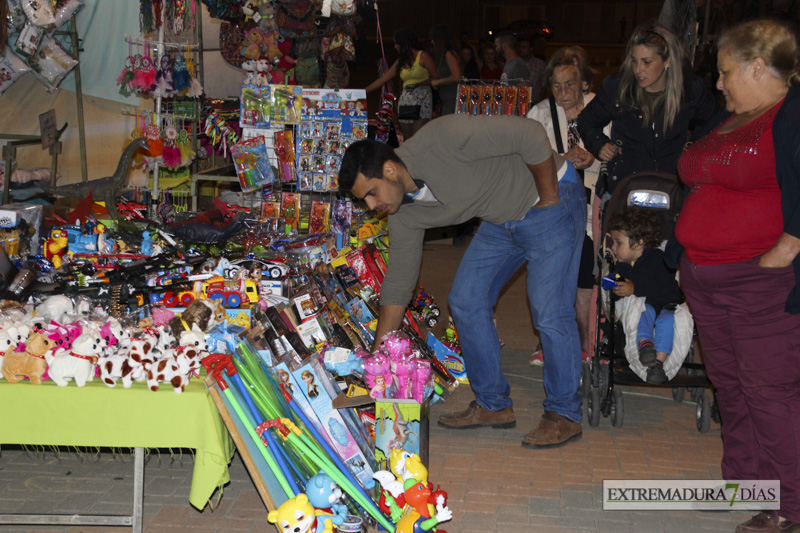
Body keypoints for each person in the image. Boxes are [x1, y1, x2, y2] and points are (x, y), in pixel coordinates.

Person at [339, 114, 586, 449]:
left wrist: (549, 198)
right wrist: (377, 362)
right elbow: (398, 285)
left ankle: (564, 414)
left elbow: (529, 133)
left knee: (549, 309)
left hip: (550, 198)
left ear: (390, 170)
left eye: (371, 193)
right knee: (466, 300)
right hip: (502, 218)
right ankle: (493, 404)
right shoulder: (402, 212)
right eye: (363, 201)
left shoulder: (443, 139)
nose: (371, 205)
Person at [675, 19, 800, 533]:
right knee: (731, 387)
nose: (719, 83)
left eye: (726, 72)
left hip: (757, 282)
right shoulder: (734, 117)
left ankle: (790, 505)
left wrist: (787, 247)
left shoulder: (790, 114)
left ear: (756, 65)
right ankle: (749, 485)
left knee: (768, 392)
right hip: (709, 280)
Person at [577, 21, 726, 195]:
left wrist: (692, 148)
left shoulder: (690, 90)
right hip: (625, 184)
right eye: (634, 61)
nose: (638, 70)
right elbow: (587, 120)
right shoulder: (617, 87)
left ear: (667, 61)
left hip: (672, 185)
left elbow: (716, 124)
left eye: (647, 62)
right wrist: (599, 144)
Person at [526, 45, 606, 366]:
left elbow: (624, 150)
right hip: (553, 208)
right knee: (552, 276)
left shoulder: (602, 109)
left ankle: (588, 339)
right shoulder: (540, 114)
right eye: (556, 86)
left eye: (570, 85)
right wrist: (561, 160)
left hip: (593, 209)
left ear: (584, 83)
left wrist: (597, 156)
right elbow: (526, 160)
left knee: (587, 274)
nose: (562, 92)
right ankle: (550, 340)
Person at [608, 210, 682, 384]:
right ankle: (646, 346)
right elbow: (608, 281)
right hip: (644, 309)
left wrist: (635, 288)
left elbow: (667, 288)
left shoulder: (658, 260)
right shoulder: (621, 266)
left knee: (668, 320)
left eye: (618, 243)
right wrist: (612, 283)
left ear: (639, 243)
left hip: (665, 305)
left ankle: (658, 364)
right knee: (643, 310)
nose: (613, 248)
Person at [365, 28, 438, 140]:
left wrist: (419, 83)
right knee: (408, 137)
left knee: (419, 136)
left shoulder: (423, 56)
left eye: (396, 43)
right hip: (407, 101)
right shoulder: (402, 60)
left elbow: (435, 77)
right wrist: (363, 91)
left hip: (422, 99)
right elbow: (383, 79)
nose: (395, 47)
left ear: (403, 43)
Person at [429, 24, 462, 116]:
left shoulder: (449, 54)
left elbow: (456, 76)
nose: (432, 41)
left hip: (452, 98)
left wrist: (437, 82)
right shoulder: (445, 55)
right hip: (447, 97)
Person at [517, 36, 547, 103]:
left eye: (524, 47)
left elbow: (544, 85)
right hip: (519, 102)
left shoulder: (540, 64)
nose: (521, 49)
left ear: (531, 49)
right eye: (520, 47)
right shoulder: (516, 63)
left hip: (534, 102)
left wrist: (539, 101)